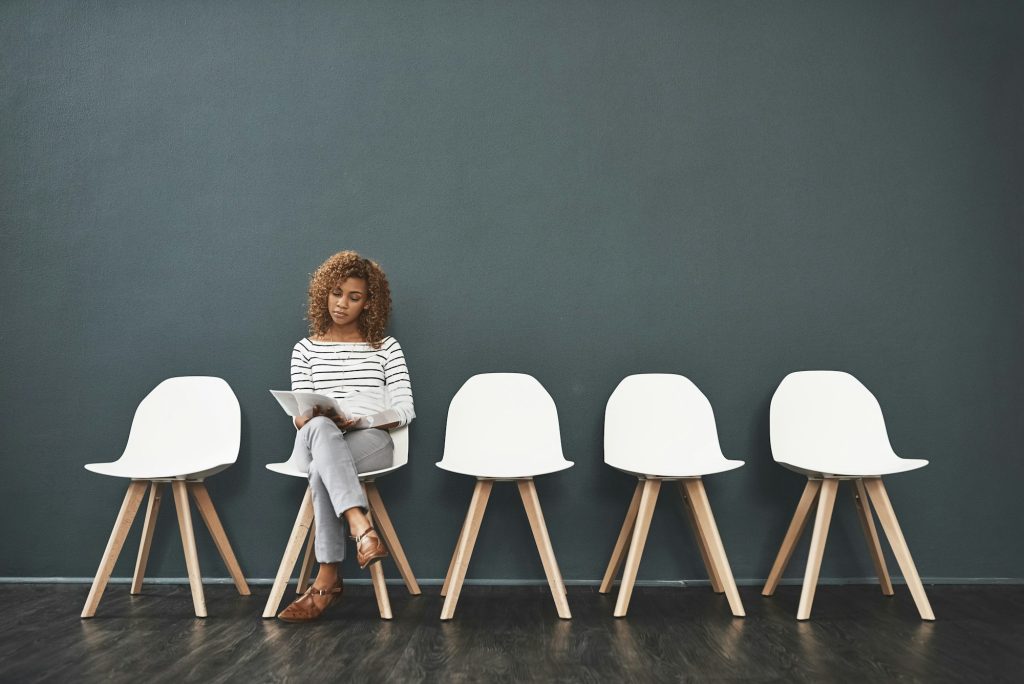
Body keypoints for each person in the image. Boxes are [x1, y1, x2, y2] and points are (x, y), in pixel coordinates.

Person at [276, 251, 415, 622]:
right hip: (316, 437)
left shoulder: (386, 348)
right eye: (337, 293)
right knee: (320, 428)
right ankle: (360, 525)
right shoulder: (304, 349)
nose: (342, 304)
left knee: (324, 470)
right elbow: (300, 417)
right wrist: (314, 417)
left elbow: (405, 409)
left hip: (370, 440)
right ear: (325, 292)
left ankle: (328, 578)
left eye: (354, 297)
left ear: (369, 302)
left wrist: (362, 419)